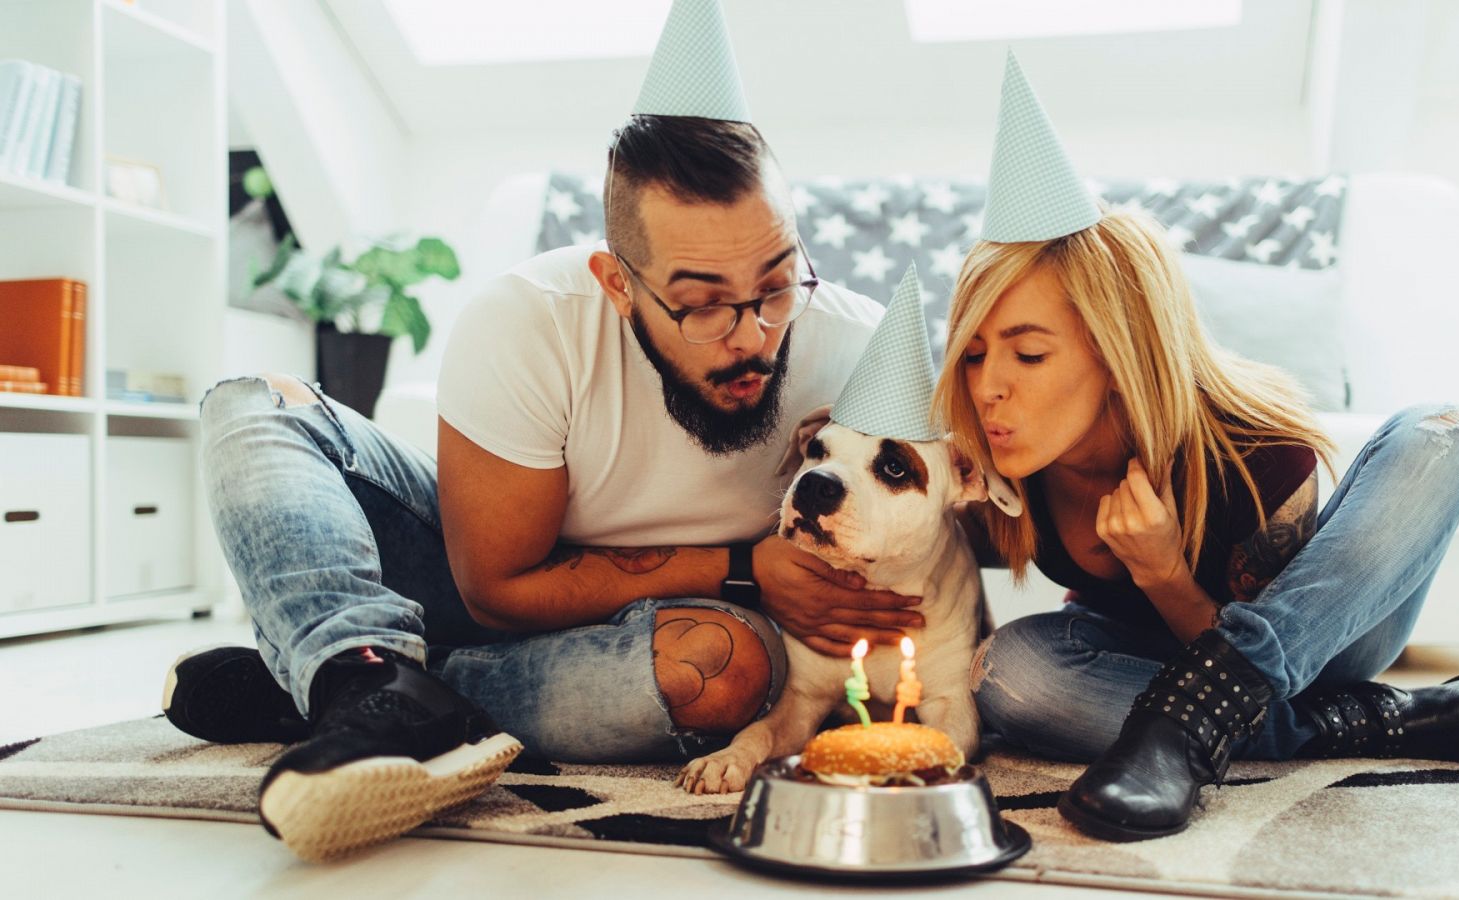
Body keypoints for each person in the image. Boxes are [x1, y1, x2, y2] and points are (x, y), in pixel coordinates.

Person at [162, 0, 912, 861]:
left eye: (778, 283)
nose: (752, 334)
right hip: (487, 582)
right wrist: (746, 564)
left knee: (719, 673)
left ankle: (347, 676)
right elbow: (495, 588)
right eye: (702, 303)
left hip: (668, 633)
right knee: (253, 402)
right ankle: (366, 677)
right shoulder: (528, 321)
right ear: (617, 282)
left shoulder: (859, 347)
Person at [932, 52, 1459, 843]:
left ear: (1117, 354)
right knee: (1011, 674)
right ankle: (1352, 727)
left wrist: (1161, 571)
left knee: (1446, 433)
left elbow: (1289, 641)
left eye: (1027, 354)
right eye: (975, 352)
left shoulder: (1257, 457)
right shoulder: (993, 466)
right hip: (1148, 670)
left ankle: (1196, 729)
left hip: (1328, 637)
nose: (988, 387)